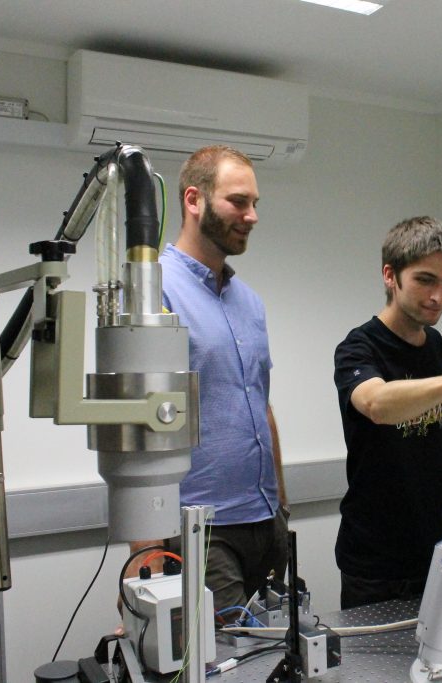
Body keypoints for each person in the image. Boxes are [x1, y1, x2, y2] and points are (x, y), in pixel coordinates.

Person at [128, 145, 289, 614]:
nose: (252, 215)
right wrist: (146, 568)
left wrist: (282, 506)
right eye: (238, 201)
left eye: (255, 203)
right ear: (193, 200)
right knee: (226, 664)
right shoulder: (153, 289)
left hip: (266, 521)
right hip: (201, 530)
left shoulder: (250, 302)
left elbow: (261, 404)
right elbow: (140, 427)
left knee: (277, 656)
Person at [333, 216, 442, 609]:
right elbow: (377, 404)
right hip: (376, 561)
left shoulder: (434, 344)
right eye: (425, 280)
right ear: (389, 276)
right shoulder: (357, 347)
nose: (439, 296)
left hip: (434, 548)